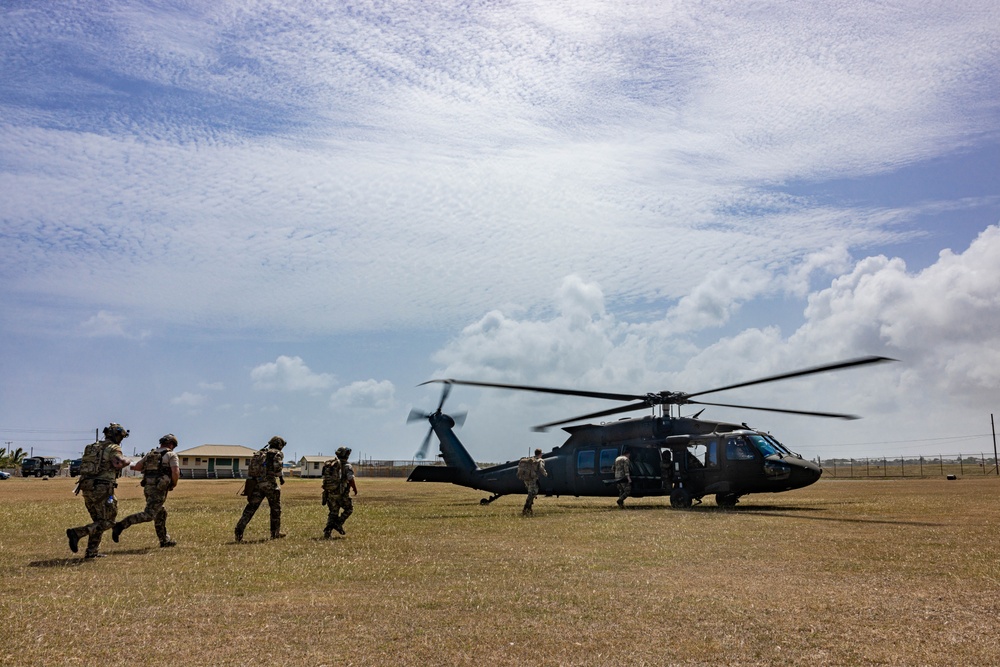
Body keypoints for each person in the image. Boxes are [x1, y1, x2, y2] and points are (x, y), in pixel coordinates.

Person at [66, 423, 131, 558]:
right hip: (102, 488)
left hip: (87, 486)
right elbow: (118, 463)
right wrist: (128, 460)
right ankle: (78, 533)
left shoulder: (92, 447)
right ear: (116, 435)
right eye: (121, 437)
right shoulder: (113, 448)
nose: (121, 440)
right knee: (109, 521)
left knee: (99, 520)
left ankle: (92, 551)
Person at [112, 433, 180, 548]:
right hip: (160, 488)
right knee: (149, 514)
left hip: (148, 487)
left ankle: (164, 540)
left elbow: (137, 467)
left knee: (161, 513)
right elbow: (175, 471)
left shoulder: (150, 454)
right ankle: (121, 525)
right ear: (172, 444)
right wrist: (173, 484)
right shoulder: (170, 454)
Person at [235, 436, 286, 542]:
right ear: (279, 444)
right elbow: (277, 467)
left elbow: (251, 469)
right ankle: (275, 533)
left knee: (251, 509)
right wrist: (281, 478)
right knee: (275, 509)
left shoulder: (260, 453)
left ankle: (239, 530)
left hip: (257, 484)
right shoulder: (277, 453)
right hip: (270, 485)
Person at [323, 446, 357, 538]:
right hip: (342, 494)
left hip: (330, 493)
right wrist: (354, 488)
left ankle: (327, 532)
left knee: (333, 512)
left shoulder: (331, 464)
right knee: (349, 509)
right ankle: (338, 523)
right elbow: (350, 479)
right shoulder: (347, 466)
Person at [519, 448, 548, 516]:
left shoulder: (530, 460)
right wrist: (545, 474)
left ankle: (529, 509)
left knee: (532, 493)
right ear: (540, 454)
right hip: (532, 479)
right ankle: (526, 508)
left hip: (526, 479)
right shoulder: (539, 460)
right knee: (532, 494)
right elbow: (541, 468)